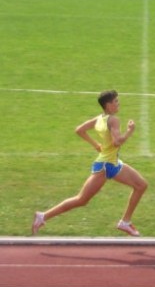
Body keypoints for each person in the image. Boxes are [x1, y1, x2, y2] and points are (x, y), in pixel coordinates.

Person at [32, 90, 148, 237]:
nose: (118, 104)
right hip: (106, 166)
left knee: (141, 185)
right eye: (116, 101)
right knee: (82, 199)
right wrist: (130, 131)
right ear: (108, 105)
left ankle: (125, 222)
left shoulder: (99, 118)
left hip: (112, 163)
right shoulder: (113, 120)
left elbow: (79, 130)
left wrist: (95, 145)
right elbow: (118, 141)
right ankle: (42, 216)